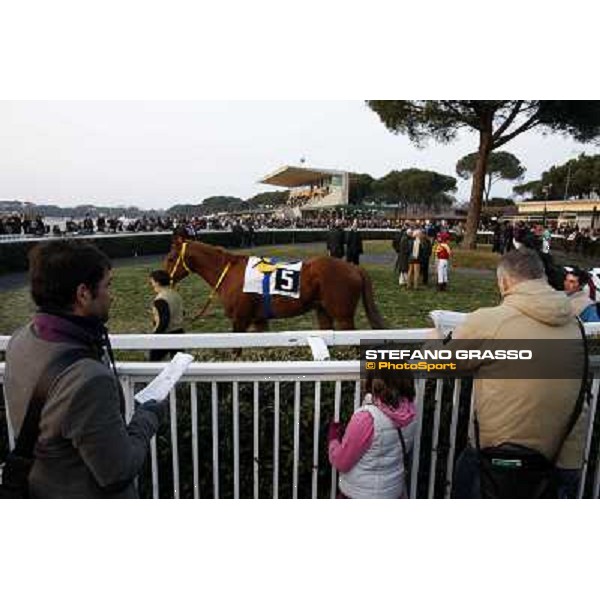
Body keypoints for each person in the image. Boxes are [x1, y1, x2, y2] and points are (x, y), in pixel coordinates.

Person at [4, 240, 167, 498]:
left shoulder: (19, 339)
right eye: (107, 286)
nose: (111, 295)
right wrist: (148, 417)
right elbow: (118, 471)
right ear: (83, 294)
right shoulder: (88, 379)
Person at [446, 249, 588, 499]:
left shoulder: (491, 320)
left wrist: (435, 339)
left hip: (499, 463)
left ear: (504, 281)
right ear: (542, 277)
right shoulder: (574, 322)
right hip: (564, 458)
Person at [328, 370, 416, 499]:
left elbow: (342, 462)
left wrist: (333, 440)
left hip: (360, 494)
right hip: (393, 491)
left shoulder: (366, 418)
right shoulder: (410, 412)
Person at [149, 269, 185, 361]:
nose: (151, 284)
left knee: (153, 363)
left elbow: (164, 322)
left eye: (152, 281)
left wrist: (155, 336)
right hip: (179, 332)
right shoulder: (176, 295)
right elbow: (182, 312)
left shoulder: (160, 299)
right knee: (178, 364)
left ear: (157, 282)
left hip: (165, 334)